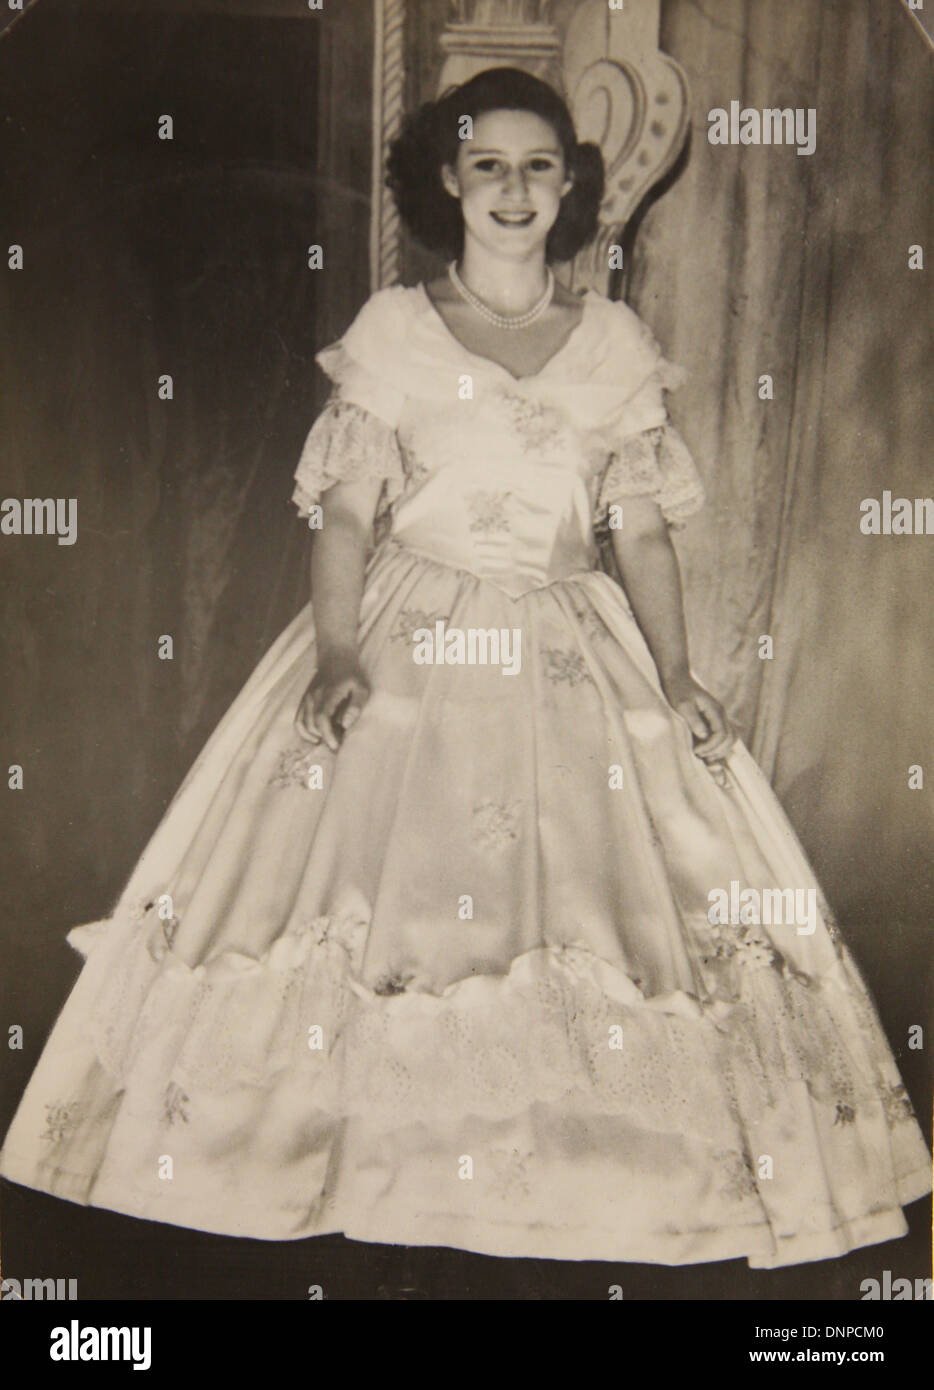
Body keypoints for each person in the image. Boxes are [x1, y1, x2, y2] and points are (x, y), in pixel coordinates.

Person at [1, 67, 929, 1269]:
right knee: (366, 896)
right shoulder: (394, 329)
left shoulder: (611, 344)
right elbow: (343, 518)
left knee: (618, 895)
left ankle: (574, 1167)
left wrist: (681, 672)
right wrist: (337, 652)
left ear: (570, 186)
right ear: (446, 181)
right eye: (486, 164)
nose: (513, 188)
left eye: (539, 165)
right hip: (406, 635)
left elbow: (637, 528)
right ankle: (361, 1160)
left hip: (571, 643)